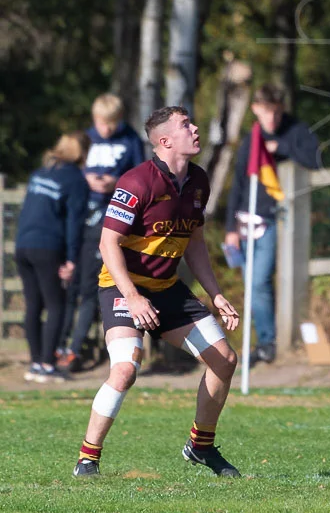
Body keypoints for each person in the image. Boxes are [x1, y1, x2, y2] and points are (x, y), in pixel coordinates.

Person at [73, 106, 242, 479]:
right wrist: (132, 296)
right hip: (121, 288)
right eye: (186, 125)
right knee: (125, 370)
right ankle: (87, 459)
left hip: (167, 289)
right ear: (165, 141)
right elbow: (108, 244)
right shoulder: (136, 182)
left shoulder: (198, 180)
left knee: (225, 360)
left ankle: (200, 447)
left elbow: (194, 241)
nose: (196, 128)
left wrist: (214, 293)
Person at [223, 84, 322, 366]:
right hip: (245, 220)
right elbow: (239, 185)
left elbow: (315, 159)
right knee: (250, 285)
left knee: (259, 281)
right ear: (256, 109)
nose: (272, 119)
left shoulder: (296, 131)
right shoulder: (250, 140)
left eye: (276, 112)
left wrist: (282, 148)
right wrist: (230, 228)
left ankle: (269, 341)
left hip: (274, 218)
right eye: (266, 112)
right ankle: (262, 340)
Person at [58, 95, 146, 371]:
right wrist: (86, 181)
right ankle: (57, 348)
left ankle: (75, 351)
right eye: (100, 123)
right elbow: (73, 169)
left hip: (111, 220)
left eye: (111, 124)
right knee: (70, 287)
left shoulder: (131, 140)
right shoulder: (86, 139)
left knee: (90, 289)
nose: (105, 129)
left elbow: (140, 176)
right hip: (83, 218)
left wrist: (114, 183)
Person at [16, 131, 90, 382]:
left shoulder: (40, 173)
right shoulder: (75, 180)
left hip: (23, 245)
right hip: (48, 247)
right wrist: (71, 259)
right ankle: (47, 364)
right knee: (56, 304)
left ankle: (35, 363)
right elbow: (74, 223)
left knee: (34, 305)